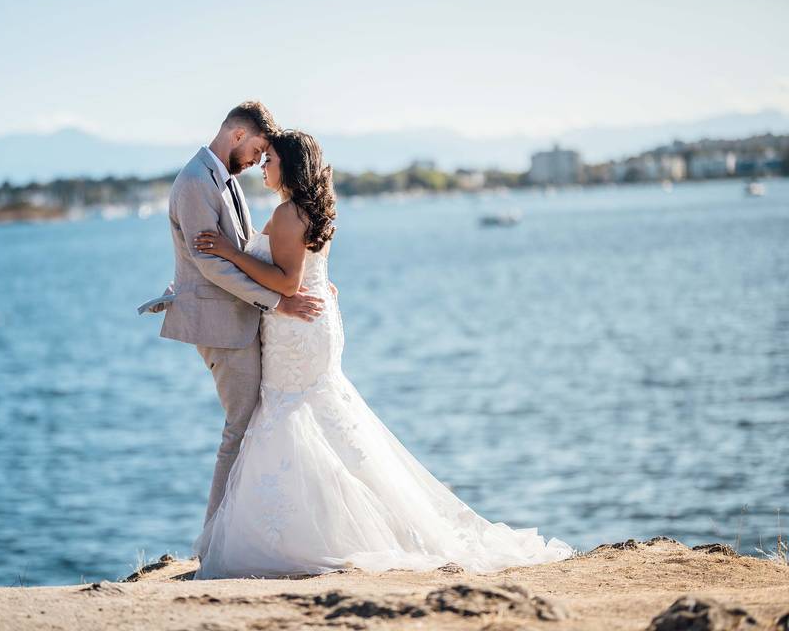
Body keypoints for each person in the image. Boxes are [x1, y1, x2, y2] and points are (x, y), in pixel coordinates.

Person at [189, 129, 575, 579]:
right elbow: (306, 272)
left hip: (296, 328)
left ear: (290, 165)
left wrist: (229, 252)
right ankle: (328, 524)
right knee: (318, 415)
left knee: (294, 415)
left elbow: (287, 283)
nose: (263, 165)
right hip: (309, 325)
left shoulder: (289, 213)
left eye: (270, 158)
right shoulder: (301, 210)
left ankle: (311, 537)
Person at [145, 102, 328, 525]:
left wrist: (311, 279)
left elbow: (245, 249)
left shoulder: (225, 179)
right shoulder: (195, 182)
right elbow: (209, 262)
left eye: (268, 157)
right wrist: (279, 301)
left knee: (254, 426)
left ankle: (254, 527)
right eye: (258, 150)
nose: (258, 161)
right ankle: (217, 537)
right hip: (222, 325)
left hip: (243, 320)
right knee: (240, 429)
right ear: (239, 136)